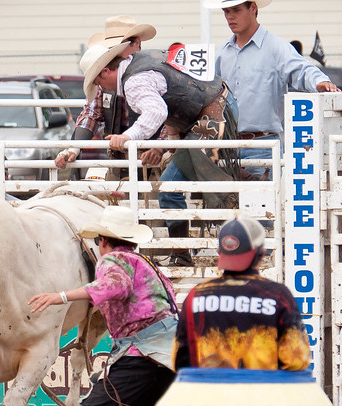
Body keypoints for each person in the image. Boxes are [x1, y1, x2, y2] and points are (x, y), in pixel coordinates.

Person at [6, 206, 177, 406]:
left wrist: (61, 296)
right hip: (171, 357)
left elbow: (114, 287)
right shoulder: (146, 264)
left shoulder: (113, 262)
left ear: (103, 241)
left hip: (142, 354)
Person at [81, 41, 241, 268]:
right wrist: (167, 142)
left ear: (107, 70)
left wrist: (128, 137)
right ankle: (192, 248)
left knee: (175, 184)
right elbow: (176, 99)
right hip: (213, 106)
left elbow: (157, 111)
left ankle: (198, 248)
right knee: (178, 183)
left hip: (213, 113)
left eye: (98, 79)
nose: (100, 85)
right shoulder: (143, 62)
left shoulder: (134, 82)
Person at [209, 0, 339, 179]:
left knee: (265, 204)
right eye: (226, 11)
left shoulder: (276, 48)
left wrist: (319, 81)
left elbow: (302, 70)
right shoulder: (223, 53)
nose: (230, 16)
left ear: (252, 8)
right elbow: (208, 92)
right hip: (229, 147)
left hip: (263, 147)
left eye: (236, 10)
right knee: (235, 205)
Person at [173, 214, 310, 370]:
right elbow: (297, 359)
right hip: (262, 391)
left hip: (208, 391)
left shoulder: (196, 296)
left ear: (220, 252)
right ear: (261, 254)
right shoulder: (278, 296)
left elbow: (179, 359)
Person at [55, 16, 158, 172]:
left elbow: (169, 111)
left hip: (150, 155)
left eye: (118, 47)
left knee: (153, 193)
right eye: (110, 49)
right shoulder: (107, 76)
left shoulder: (150, 72)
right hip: (119, 157)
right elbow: (91, 114)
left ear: (136, 44)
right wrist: (74, 148)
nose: (113, 54)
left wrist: (160, 148)